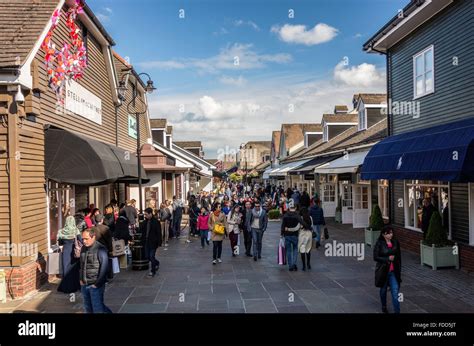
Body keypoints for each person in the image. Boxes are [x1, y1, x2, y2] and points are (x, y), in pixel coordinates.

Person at [79, 227, 112, 313]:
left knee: (98, 309)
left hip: (95, 285)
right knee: (88, 309)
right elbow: (81, 265)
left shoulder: (101, 249)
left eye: (86, 239)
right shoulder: (83, 248)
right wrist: (81, 279)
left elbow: (104, 267)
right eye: (83, 239)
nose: (84, 241)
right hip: (84, 284)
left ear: (93, 237)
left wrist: (97, 284)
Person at [374, 226, 402, 314]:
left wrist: (399, 271)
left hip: (394, 272)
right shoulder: (379, 243)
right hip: (383, 271)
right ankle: (384, 306)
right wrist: (387, 259)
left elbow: (399, 257)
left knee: (395, 291)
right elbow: (375, 257)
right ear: (383, 234)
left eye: (391, 233)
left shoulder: (395, 242)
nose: (390, 235)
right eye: (388, 233)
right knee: (383, 290)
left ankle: (397, 311)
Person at [281, 199, 308, 271]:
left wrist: (281, 234)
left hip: (287, 235)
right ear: (295, 208)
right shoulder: (297, 216)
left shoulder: (285, 215)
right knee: (295, 250)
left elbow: (283, 226)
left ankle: (290, 265)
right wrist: (308, 227)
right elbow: (303, 223)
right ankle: (294, 263)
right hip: (295, 235)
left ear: (289, 208)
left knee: (289, 251)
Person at [57, 216, 81, 293]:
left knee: (66, 268)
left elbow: (60, 243)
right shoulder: (75, 230)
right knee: (74, 269)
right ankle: (75, 286)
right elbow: (80, 240)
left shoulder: (61, 231)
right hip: (74, 252)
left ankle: (66, 287)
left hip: (66, 252)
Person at [140, 208, 162, 277]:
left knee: (151, 256)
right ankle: (157, 263)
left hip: (153, 242)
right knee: (147, 256)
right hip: (146, 241)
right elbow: (141, 230)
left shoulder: (156, 222)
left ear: (150, 214)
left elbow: (159, 233)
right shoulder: (145, 222)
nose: (145, 216)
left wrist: (159, 242)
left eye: (146, 214)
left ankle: (153, 271)